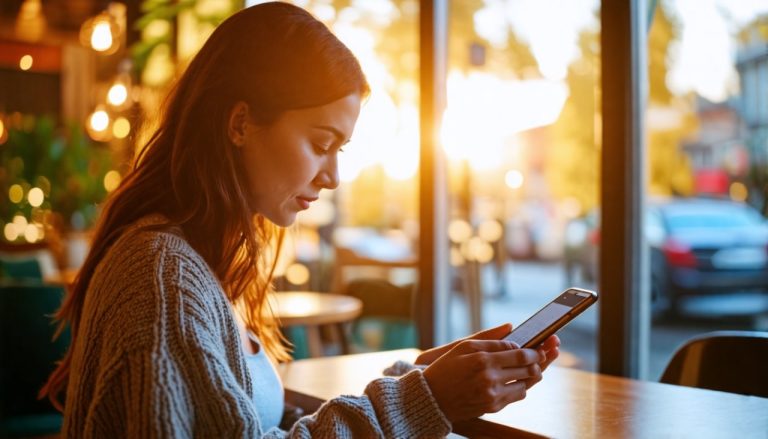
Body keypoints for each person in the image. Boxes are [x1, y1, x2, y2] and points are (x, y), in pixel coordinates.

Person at [42, 2, 561, 437]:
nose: (333, 176)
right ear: (241, 123)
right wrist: (425, 400)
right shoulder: (166, 281)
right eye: (320, 144)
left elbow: (253, 425)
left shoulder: (193, 262)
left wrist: (421, 378)